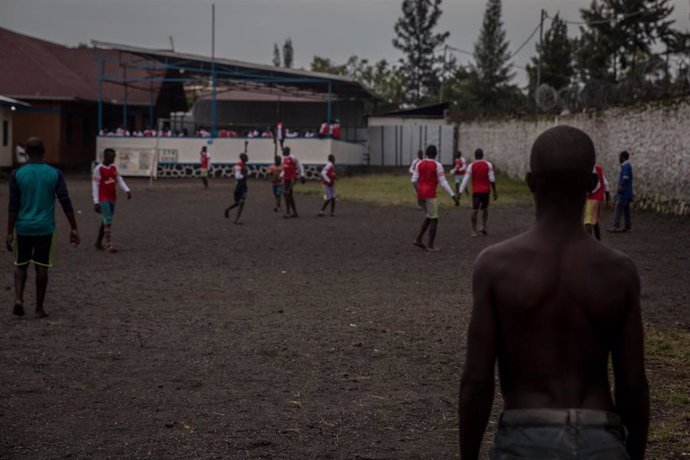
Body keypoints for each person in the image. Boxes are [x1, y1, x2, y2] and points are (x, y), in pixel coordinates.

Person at [459, 126, 649, 460]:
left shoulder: (496, 265)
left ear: (531, 181)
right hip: (601, 438)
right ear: (592, 186)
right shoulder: (619, 271)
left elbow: (477, 380)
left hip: (523, 438)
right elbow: (632, 384)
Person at [6, 137, 80, 318]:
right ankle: (39, 308)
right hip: (45, 228)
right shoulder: (54, 173)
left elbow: (13, 205)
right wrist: (73, 227)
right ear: (44, 152)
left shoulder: (17, 174)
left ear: (27, 153)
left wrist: (9, 231)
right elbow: (65, 200)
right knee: (42, 267)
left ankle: (18, 298)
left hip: (23, 227)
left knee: (21, 265)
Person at [412, 145, 459, 252]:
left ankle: (418, 239)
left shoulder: (419, 163)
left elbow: (413, 180)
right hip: (430, 194)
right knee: (434, 219)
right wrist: (453, 196)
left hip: (421, 195)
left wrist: (418, 191)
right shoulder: (437, 165)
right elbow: (443, 182)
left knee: (429, 216)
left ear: (426, 153)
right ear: (436, 154)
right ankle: (430, 245)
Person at [92, 148, 132, 253]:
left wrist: (126, 190)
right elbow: (95, 185)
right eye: (112, 156)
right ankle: (109, 245)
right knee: (108, 219)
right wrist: (96, 201)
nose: (114, 158)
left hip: (112, 197)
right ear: (106, 157)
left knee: (105, 220)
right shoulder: (98, 169)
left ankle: (98, 242)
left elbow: (119, 179)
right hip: (103, 198)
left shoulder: (113, 168)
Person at [459, 148, 498, 237]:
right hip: (485, 191)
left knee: (474, 210)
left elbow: (466, 179)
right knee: (485, 209)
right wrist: (495, 191)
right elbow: (492, 179)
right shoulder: (488, 165)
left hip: (476, 191)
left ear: (475, 156)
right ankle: (483, 226)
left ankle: (473, 230)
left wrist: (460, 192)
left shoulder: (471, 166)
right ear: (482, 155)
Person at [584, 163, 610, 241]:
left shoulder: (589, 169)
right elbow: (606, 184)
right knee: (594, 221)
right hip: (598, 197)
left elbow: (595, 184)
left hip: (592, 196)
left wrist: (589, 192)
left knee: (588, 220)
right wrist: (608, 199)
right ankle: (598, 241)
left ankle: (591, 242)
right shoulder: (598, 168)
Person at [609, 151, 633, 233]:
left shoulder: (626, 166)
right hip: (627, 193)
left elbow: (625, 178)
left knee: (618, 208)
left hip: (624, 193)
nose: (619, 159)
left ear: (623, 157)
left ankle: (616, 226)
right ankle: (627, 226)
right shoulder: (627, 166)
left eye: (620, 157)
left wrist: (621, 186)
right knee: (626, 210)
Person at [224, 153, 249, 224]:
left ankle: (228, 210)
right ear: (243, 158)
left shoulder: (242, 165)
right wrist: (244, 176)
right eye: (246, 157)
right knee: (241, 203)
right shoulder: (239, 166)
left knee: (238, 203)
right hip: (241, 185)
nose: (248, 158)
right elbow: (237, 176)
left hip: (241, 185)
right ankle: (236, 220)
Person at [281, 146, 305, 219]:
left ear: (287, 151)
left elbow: (300, 166)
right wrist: (281, 175)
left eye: (283, 150)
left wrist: (302, 175)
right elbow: (285, 170)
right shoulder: (285, 159)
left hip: (291, 178)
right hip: (286, 179)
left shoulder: (293, 158)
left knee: (286, 194)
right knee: (289, 195)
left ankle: (288, 212)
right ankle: (294, 212)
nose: (282, 152)